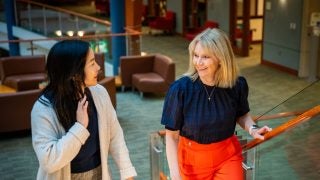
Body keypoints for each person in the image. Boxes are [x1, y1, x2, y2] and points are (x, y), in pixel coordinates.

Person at [161, 28, 272, 180]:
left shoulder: (236, 85)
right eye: (195, 55)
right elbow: (172, 137)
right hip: (192, 161)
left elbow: (242, 114)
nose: (198, 62)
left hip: (228, 156)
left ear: (220, 58)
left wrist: (253, 129)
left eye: (205, 57)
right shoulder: (180, 90)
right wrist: (175, 176)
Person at [31, 40, 137, 180]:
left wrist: (127, 173)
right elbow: (49, 162)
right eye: (92, 63)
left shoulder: (99, 93)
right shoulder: (44, 109)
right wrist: (80, 127)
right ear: (74, 72)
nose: (98, 67)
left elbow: (115, 135)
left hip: (99, 173)